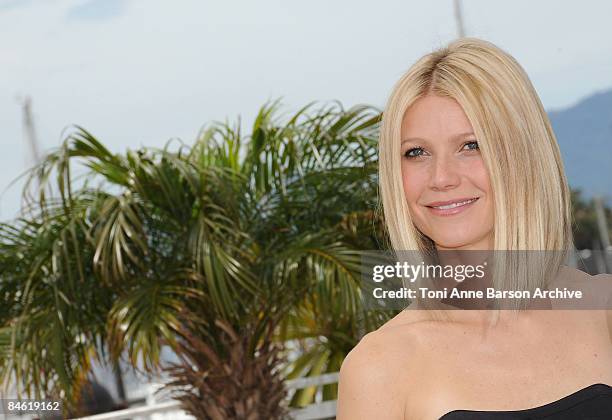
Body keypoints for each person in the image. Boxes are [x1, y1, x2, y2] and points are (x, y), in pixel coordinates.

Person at [336, 38, 612, 419]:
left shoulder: (603, 310)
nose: (441, 178)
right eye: (416, 152)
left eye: (471, 145)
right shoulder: (380, 366)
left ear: (523, 155)